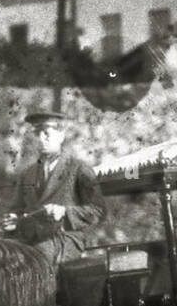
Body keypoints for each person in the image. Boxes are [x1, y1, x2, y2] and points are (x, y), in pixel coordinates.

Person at [7, 111, 106, 264]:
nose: (41, 139)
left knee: (36, 256)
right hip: (29, 238)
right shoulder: (27, 174)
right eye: (37, 134)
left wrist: (65, 212)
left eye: (46, 133)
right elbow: (16, 210)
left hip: (64, 239)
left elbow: (98, 210)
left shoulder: (79, 169)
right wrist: (13, 219)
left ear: (61, 136)